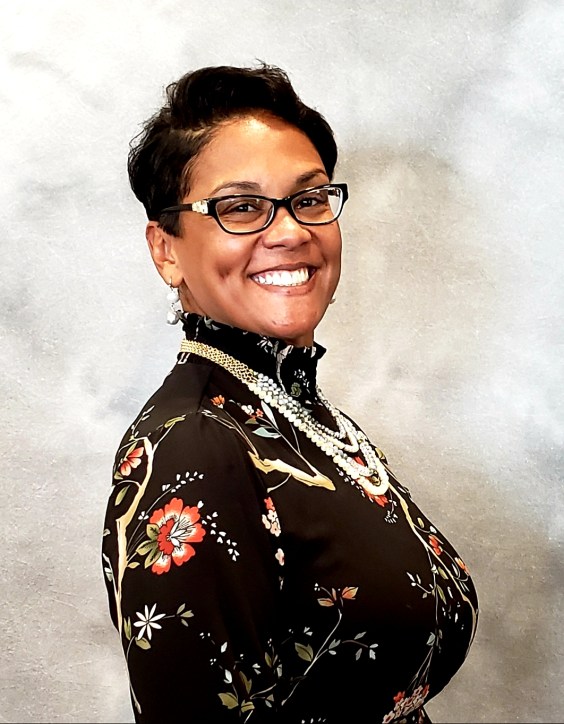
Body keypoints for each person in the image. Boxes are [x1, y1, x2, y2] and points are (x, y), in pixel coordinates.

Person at [102, 63, 478, 724]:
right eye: (241, 207)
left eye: (309, 198)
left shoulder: (304, 418)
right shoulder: (197, 446)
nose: (290, 231)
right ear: (166, 250)